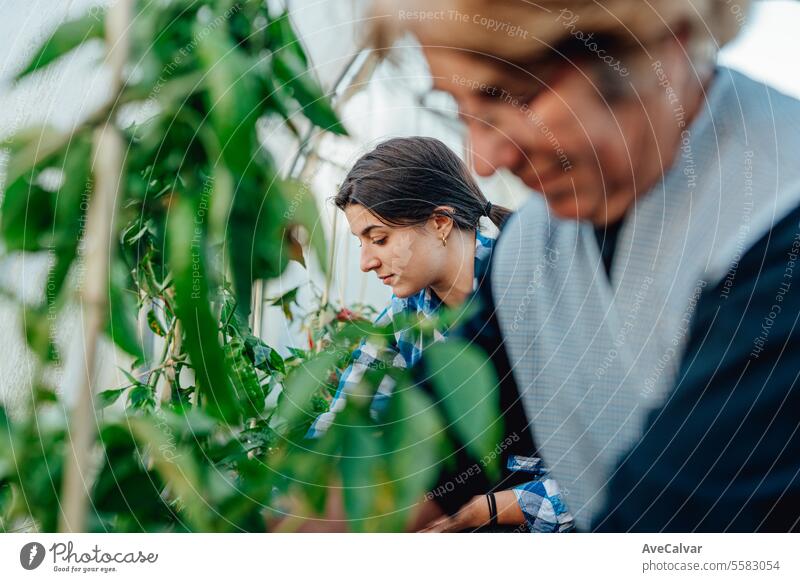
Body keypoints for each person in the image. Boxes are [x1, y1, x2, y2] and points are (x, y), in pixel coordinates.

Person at [370, 0, 800, 531]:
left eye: (513, 97)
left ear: (665, 47)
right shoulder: (534, 246)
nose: (482, 159)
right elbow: (437, 425)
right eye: (456, 107)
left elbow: (675, 531)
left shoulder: (779, 224)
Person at [308, 136, 573, 532]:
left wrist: (492, 508)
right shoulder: (408, 314)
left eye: (378, 239)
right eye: (360, 242)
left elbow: (619, 464)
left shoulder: (535, 289)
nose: (366, 261)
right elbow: (349, 413)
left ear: (440, 223)